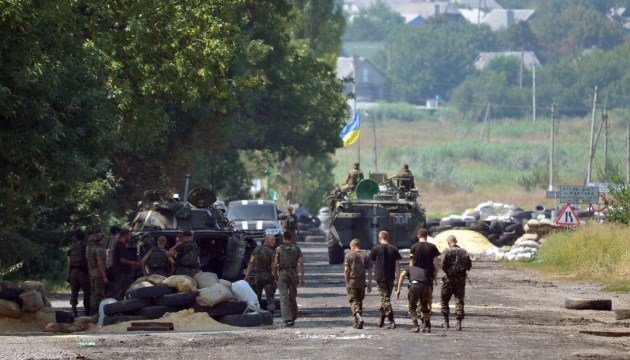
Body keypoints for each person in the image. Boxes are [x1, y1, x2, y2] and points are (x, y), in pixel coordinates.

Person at [272, 231, 305, 327]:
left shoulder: (279, 249)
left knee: (283, 297)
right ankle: (294, 316)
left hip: (282, 274)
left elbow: (275, 264)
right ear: (291, 238)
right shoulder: (296, 248)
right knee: (292, 297)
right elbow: (301, 263)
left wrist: (275, 276)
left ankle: (287, 319)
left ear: (283, 238)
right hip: (293, 274)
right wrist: (302, 278)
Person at [370, 230, 401, 329]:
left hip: (380, 277)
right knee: (385, 299)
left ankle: (391, 321)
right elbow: (397, 265)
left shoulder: (375, 249)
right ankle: (382, 321)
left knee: (385, 299)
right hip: (391, 277)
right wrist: (398, 279)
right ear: (388, 237)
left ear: (380, 238)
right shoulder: (394, 249)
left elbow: (372, 261)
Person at [440, 235, 472, 331]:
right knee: (459, 301)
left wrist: (449, 271)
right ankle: (458, 323)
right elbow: (469, 266)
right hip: (460, 280)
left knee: (444, 300)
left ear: (448, 242)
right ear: (456, 241)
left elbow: (443, 265)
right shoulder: (464, 251)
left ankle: (446, 322)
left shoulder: (446, 251)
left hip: (449, 280)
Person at [344, 239, 372, 329]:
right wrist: (370, 283)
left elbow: (346, 270)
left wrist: (347, 281)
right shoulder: (366, 255)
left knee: (353, 300)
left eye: (350, 247)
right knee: (359, 301)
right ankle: (358, 322)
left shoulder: (349, 255)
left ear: (353, 246)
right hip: (362, 281)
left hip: (352, 281)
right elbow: (370, 271)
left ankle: (359, 317)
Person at [244, 234, 277, 313]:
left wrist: (247, 276)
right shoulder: (271, 252)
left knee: (256, 296)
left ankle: (256, 311)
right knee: (270, 297)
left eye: (274, 240)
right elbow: (274, 266)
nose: (274, 242)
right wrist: (276, 277)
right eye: (272, 240)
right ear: (266, 240)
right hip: (268, 277)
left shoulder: (256, 250)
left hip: (257, 277)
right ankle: (270, 312)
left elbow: (251, 263)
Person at [396, 265, 433, 333]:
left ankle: (415, 326)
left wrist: (398, 289)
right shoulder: (424, 269)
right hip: (426, 286)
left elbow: (402, 275)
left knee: (412, 307)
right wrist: (430, 304)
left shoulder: (408, 268)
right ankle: (427, 326)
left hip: (415, 285)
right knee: (425, 307)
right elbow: (430, 285)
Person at [66, 230, 90, 317]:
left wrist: (68, 274)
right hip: (83, 272)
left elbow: (68, 263)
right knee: (87, 292)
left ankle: (74, 311)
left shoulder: (71, 249)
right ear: (84, 238)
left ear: (75, 238)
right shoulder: (86, 247)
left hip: (72, 272)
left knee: (74, 292)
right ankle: (87, 311)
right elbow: (88, 260)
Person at [112, 228, 140, 300]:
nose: (130, 238)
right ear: (125, 235)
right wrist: (134, 263)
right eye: (130, 236)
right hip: (122, 274)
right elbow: (122, 260)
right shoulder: (120, 245)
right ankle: (118, 309)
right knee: (121, 294)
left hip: (122, 273)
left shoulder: (121, 245)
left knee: (124, 293)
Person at [86, 230, 108, 316]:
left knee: (93, 293)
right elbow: (100, 263)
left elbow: (88, 262)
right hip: (98, 273)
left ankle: (92, 311)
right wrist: (104, 276)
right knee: (99, 294)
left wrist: (91, 270)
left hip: (92, 272)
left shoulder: (89, 249)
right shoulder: (99, 249)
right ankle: (97, 313)